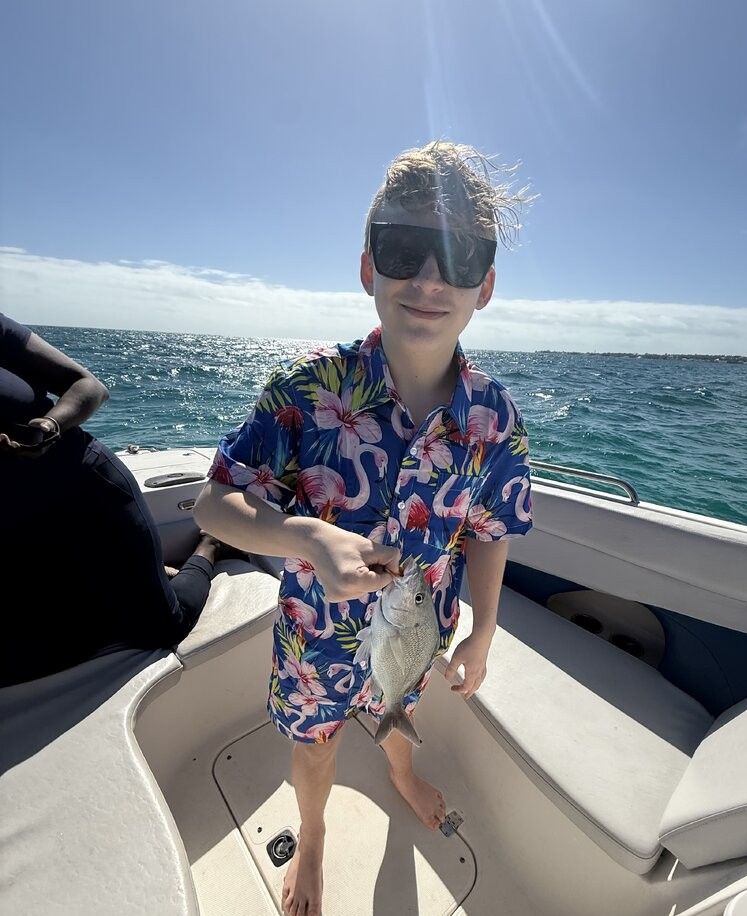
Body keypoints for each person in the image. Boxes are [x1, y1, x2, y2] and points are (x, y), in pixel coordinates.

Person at [194, 140, 534, 916]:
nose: (426, 279)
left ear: (485, 286)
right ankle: (312, 838)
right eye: (403, 249)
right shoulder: (308, 387)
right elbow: (216, 503)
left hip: (421, 626)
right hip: (313, 632)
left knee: (400, 705)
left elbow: (490, 526)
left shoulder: (495, 418)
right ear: (366, 267)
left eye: (456, 258)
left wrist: (484, 629)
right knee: (313, 744)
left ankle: (402, 772)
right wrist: (308, 537)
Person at [0, 314, 233, 687]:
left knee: (160, 627)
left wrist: (49, 425)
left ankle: (209, 546)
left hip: (85, 492)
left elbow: (88, 386)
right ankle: (152, 571)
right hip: (13, 522)